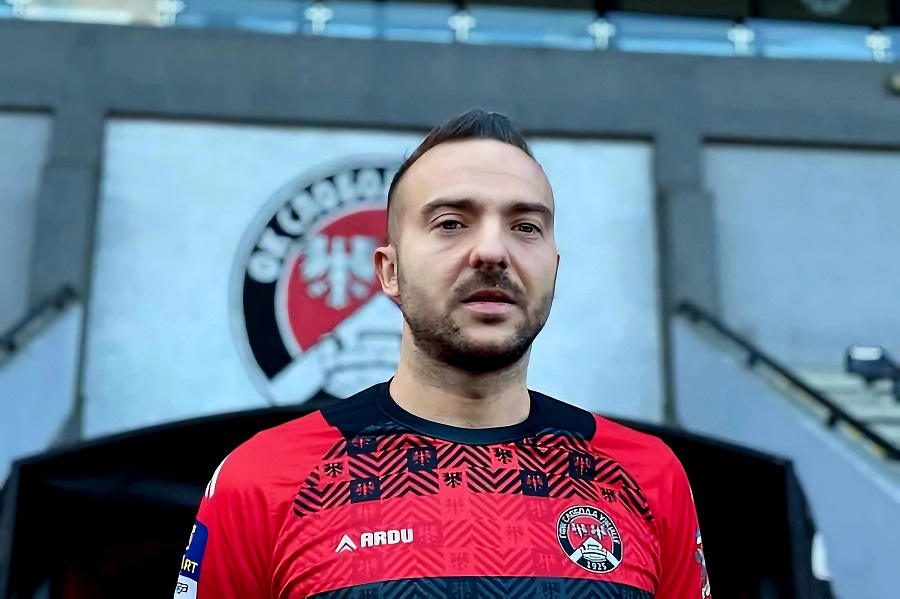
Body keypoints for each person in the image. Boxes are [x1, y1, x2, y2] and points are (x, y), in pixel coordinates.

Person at [174, 109, 711, 598]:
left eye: (525, 227)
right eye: (451, 223)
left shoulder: (649, 476)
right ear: (389, 271)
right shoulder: (264, 479)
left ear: (553, 266)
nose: (492, 251)